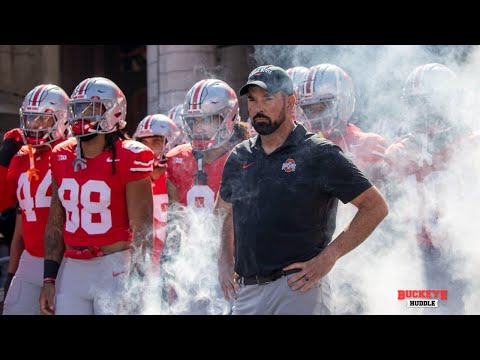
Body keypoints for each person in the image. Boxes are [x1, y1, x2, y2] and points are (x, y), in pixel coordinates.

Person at [215, 65, 389, 315]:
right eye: (252, 100)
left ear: (290, 102)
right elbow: (224, 211)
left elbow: (375, 207)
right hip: (248, 291)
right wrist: (224, 260)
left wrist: (330, 256)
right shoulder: (239, 155)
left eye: (268, 98)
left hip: (297, 288)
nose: (258, 108)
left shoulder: (319, 153)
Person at [39, 77, 154, 315]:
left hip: (113, 266)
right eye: (78, 108)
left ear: (114, 112)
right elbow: (55, 222)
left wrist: (136, 282)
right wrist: (49, 279)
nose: (81, 116)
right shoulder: (61, 155)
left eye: (90, 109)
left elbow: (142, 227)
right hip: (73, 269)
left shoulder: (130, 156)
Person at [385, 63, 474, 314]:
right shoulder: (398, 153)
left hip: (469, 251)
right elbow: (390, 219)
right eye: (416, 104)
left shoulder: (472, 143)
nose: (423, 112)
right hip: (422, 259)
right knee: (428, 308)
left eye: (429, 103)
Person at [161, 78, 250, 314]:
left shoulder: (245, 157)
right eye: (194, 120)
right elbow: (175, 222)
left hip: (236, 261)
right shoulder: (177, 158)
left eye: (207, 120)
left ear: (229, 118)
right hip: (191, 262)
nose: (199, 128)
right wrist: (169, 267)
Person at [0, 84, 70, 315]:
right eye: (31, 119)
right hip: (30, 258)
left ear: (63, 120)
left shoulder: (71, 153)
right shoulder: (21, 158)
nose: (36, 127)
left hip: (67, 259)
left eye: (44, 120)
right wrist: (3, 161)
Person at [297, 63, 387, 183]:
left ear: (344, 102)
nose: (315, 116)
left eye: (321, 107)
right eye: (309, 109)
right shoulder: (296, 143)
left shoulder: (370, 145)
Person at [132, 114, 178, 268]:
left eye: (156, 142)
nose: (148, 148)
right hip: (142, 262)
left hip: (171, 263)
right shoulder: (132, 179)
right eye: (143, 142)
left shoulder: (178, 178)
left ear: (170, 143)